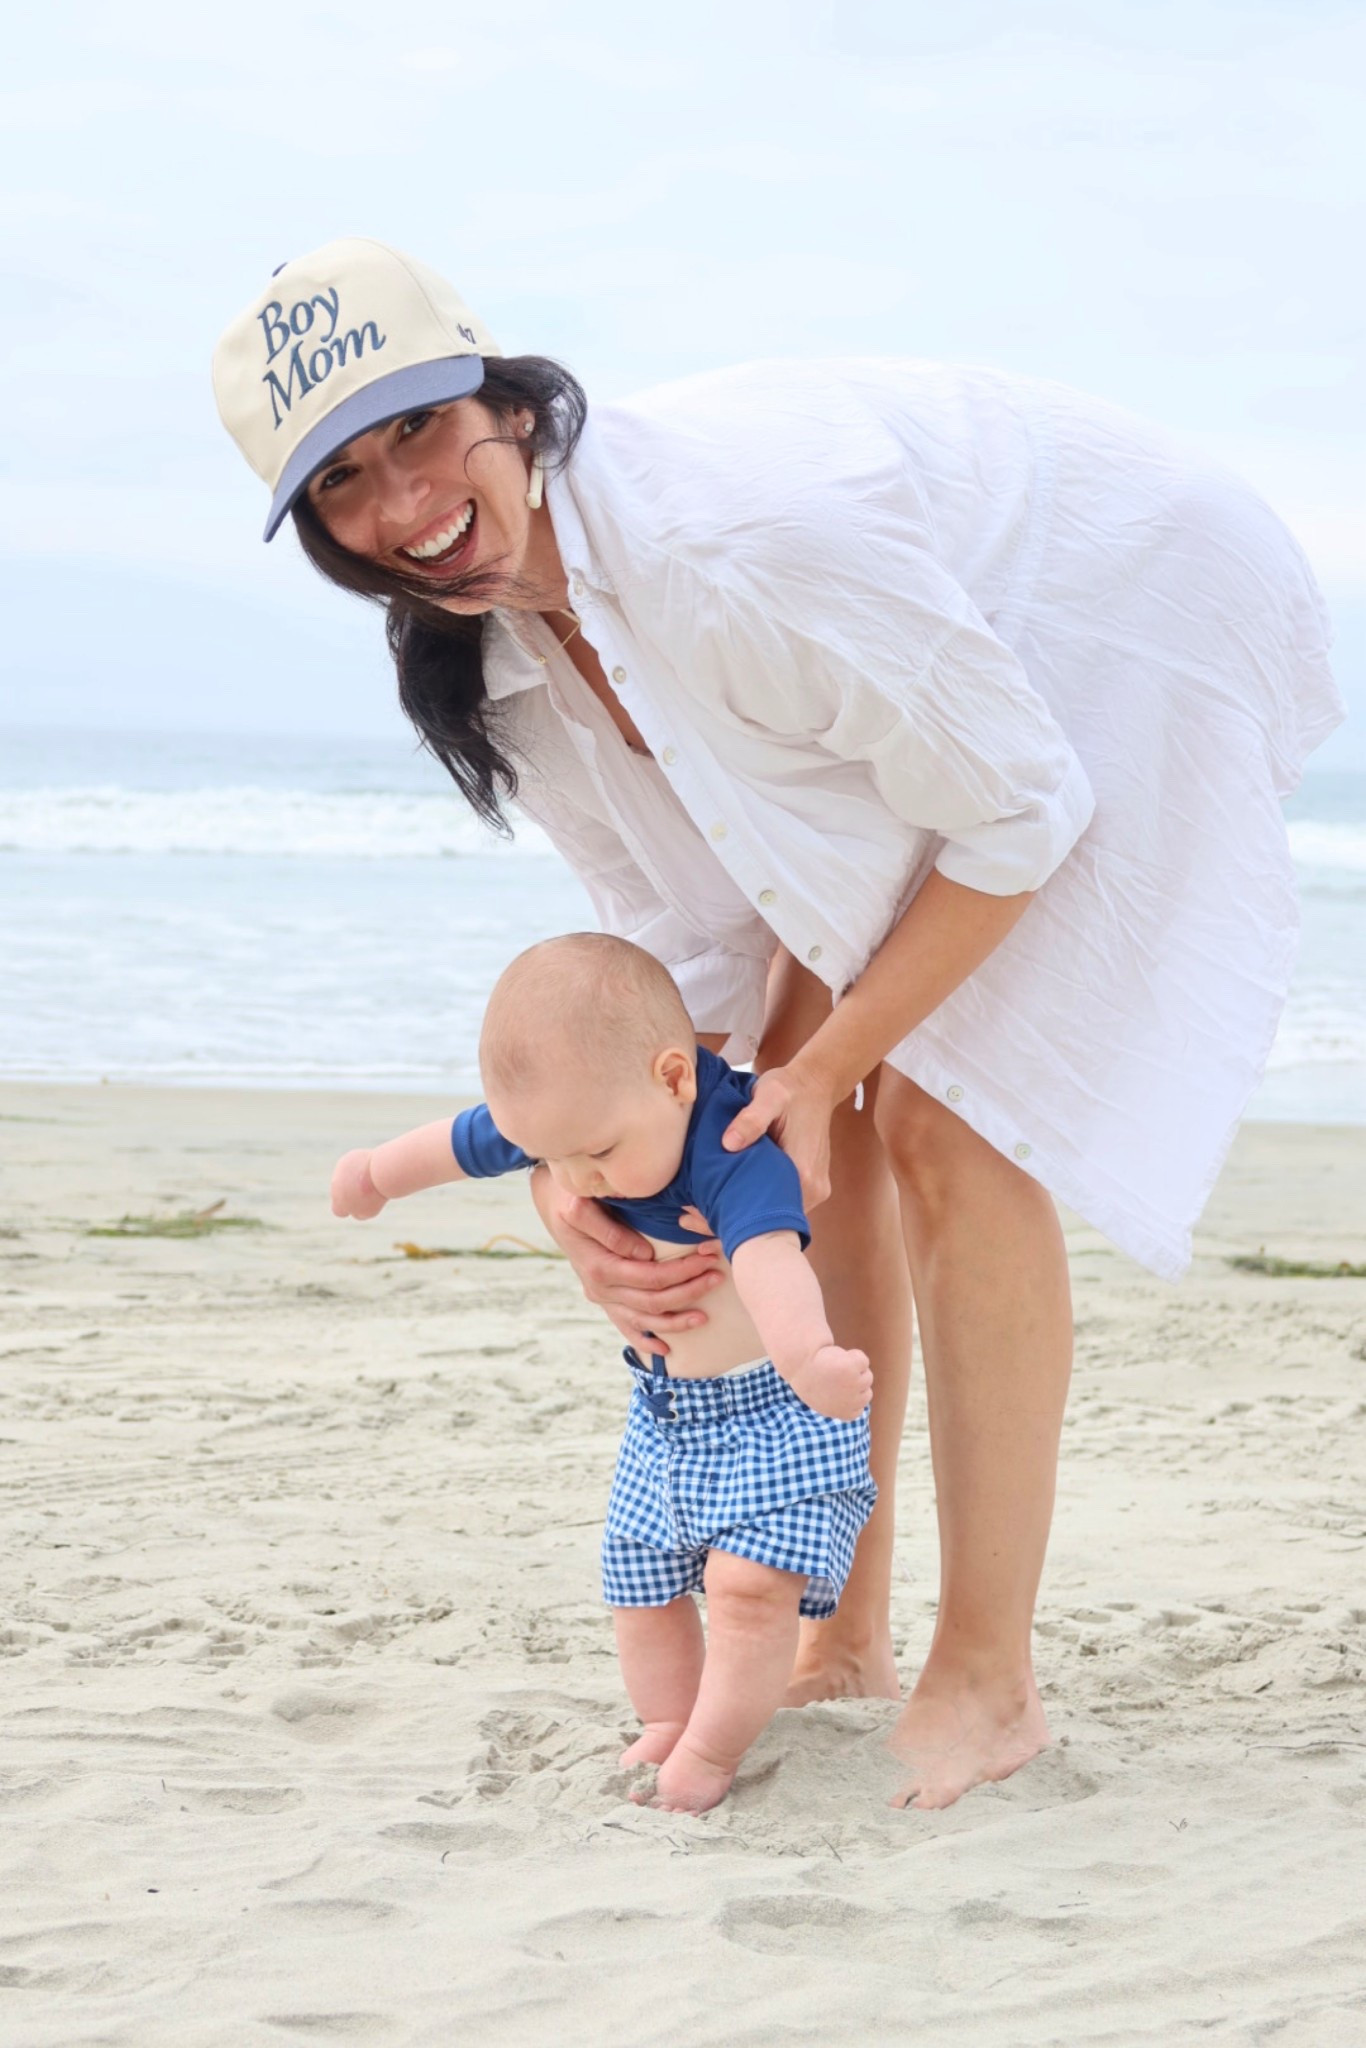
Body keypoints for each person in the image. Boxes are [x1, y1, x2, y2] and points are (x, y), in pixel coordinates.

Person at [215, 238, 1344, 1810]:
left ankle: (986, 1674)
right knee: (786, 1122)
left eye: (418, 429)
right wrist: (575, 1184)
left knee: (944, 1112)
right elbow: (679, 964)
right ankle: (845, 1625)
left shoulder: (724, 547)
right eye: (342, 483)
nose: (402, 504)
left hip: (1104, 603)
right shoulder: (490, 660)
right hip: (894, 690)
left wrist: (835, 1058)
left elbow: (1019, 812)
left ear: (505, 402)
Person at [330, 933, 877, 1813]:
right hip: (663, 1412)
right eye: (553, 1162)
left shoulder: (731, 1148)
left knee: (746, 1591)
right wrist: (375, 1175)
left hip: (776, 1407)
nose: (577, 1181)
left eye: (595, 1155)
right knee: (640, 1581)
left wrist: (810, 1357)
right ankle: (667, 1719)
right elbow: (462, 1144)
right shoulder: (582, 1115)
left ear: (673, 1077)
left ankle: (710, 1747)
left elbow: (773, 1259)